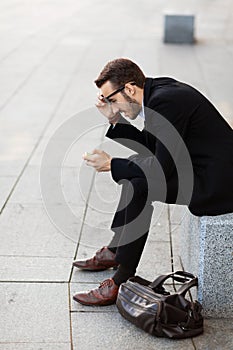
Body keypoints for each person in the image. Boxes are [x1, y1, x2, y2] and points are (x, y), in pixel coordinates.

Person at [72, 58, 233, 306]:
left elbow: (159, 168)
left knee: (140, 182)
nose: (113, 106)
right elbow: (152, 148)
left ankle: (122, 277)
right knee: (135, 168)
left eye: (112, 100)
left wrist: (112, 164)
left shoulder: (164, 102)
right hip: (200, 170)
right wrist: (114, 120)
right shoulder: (157, 93)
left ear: (129, 88)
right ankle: (116, 250)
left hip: (216, 185)